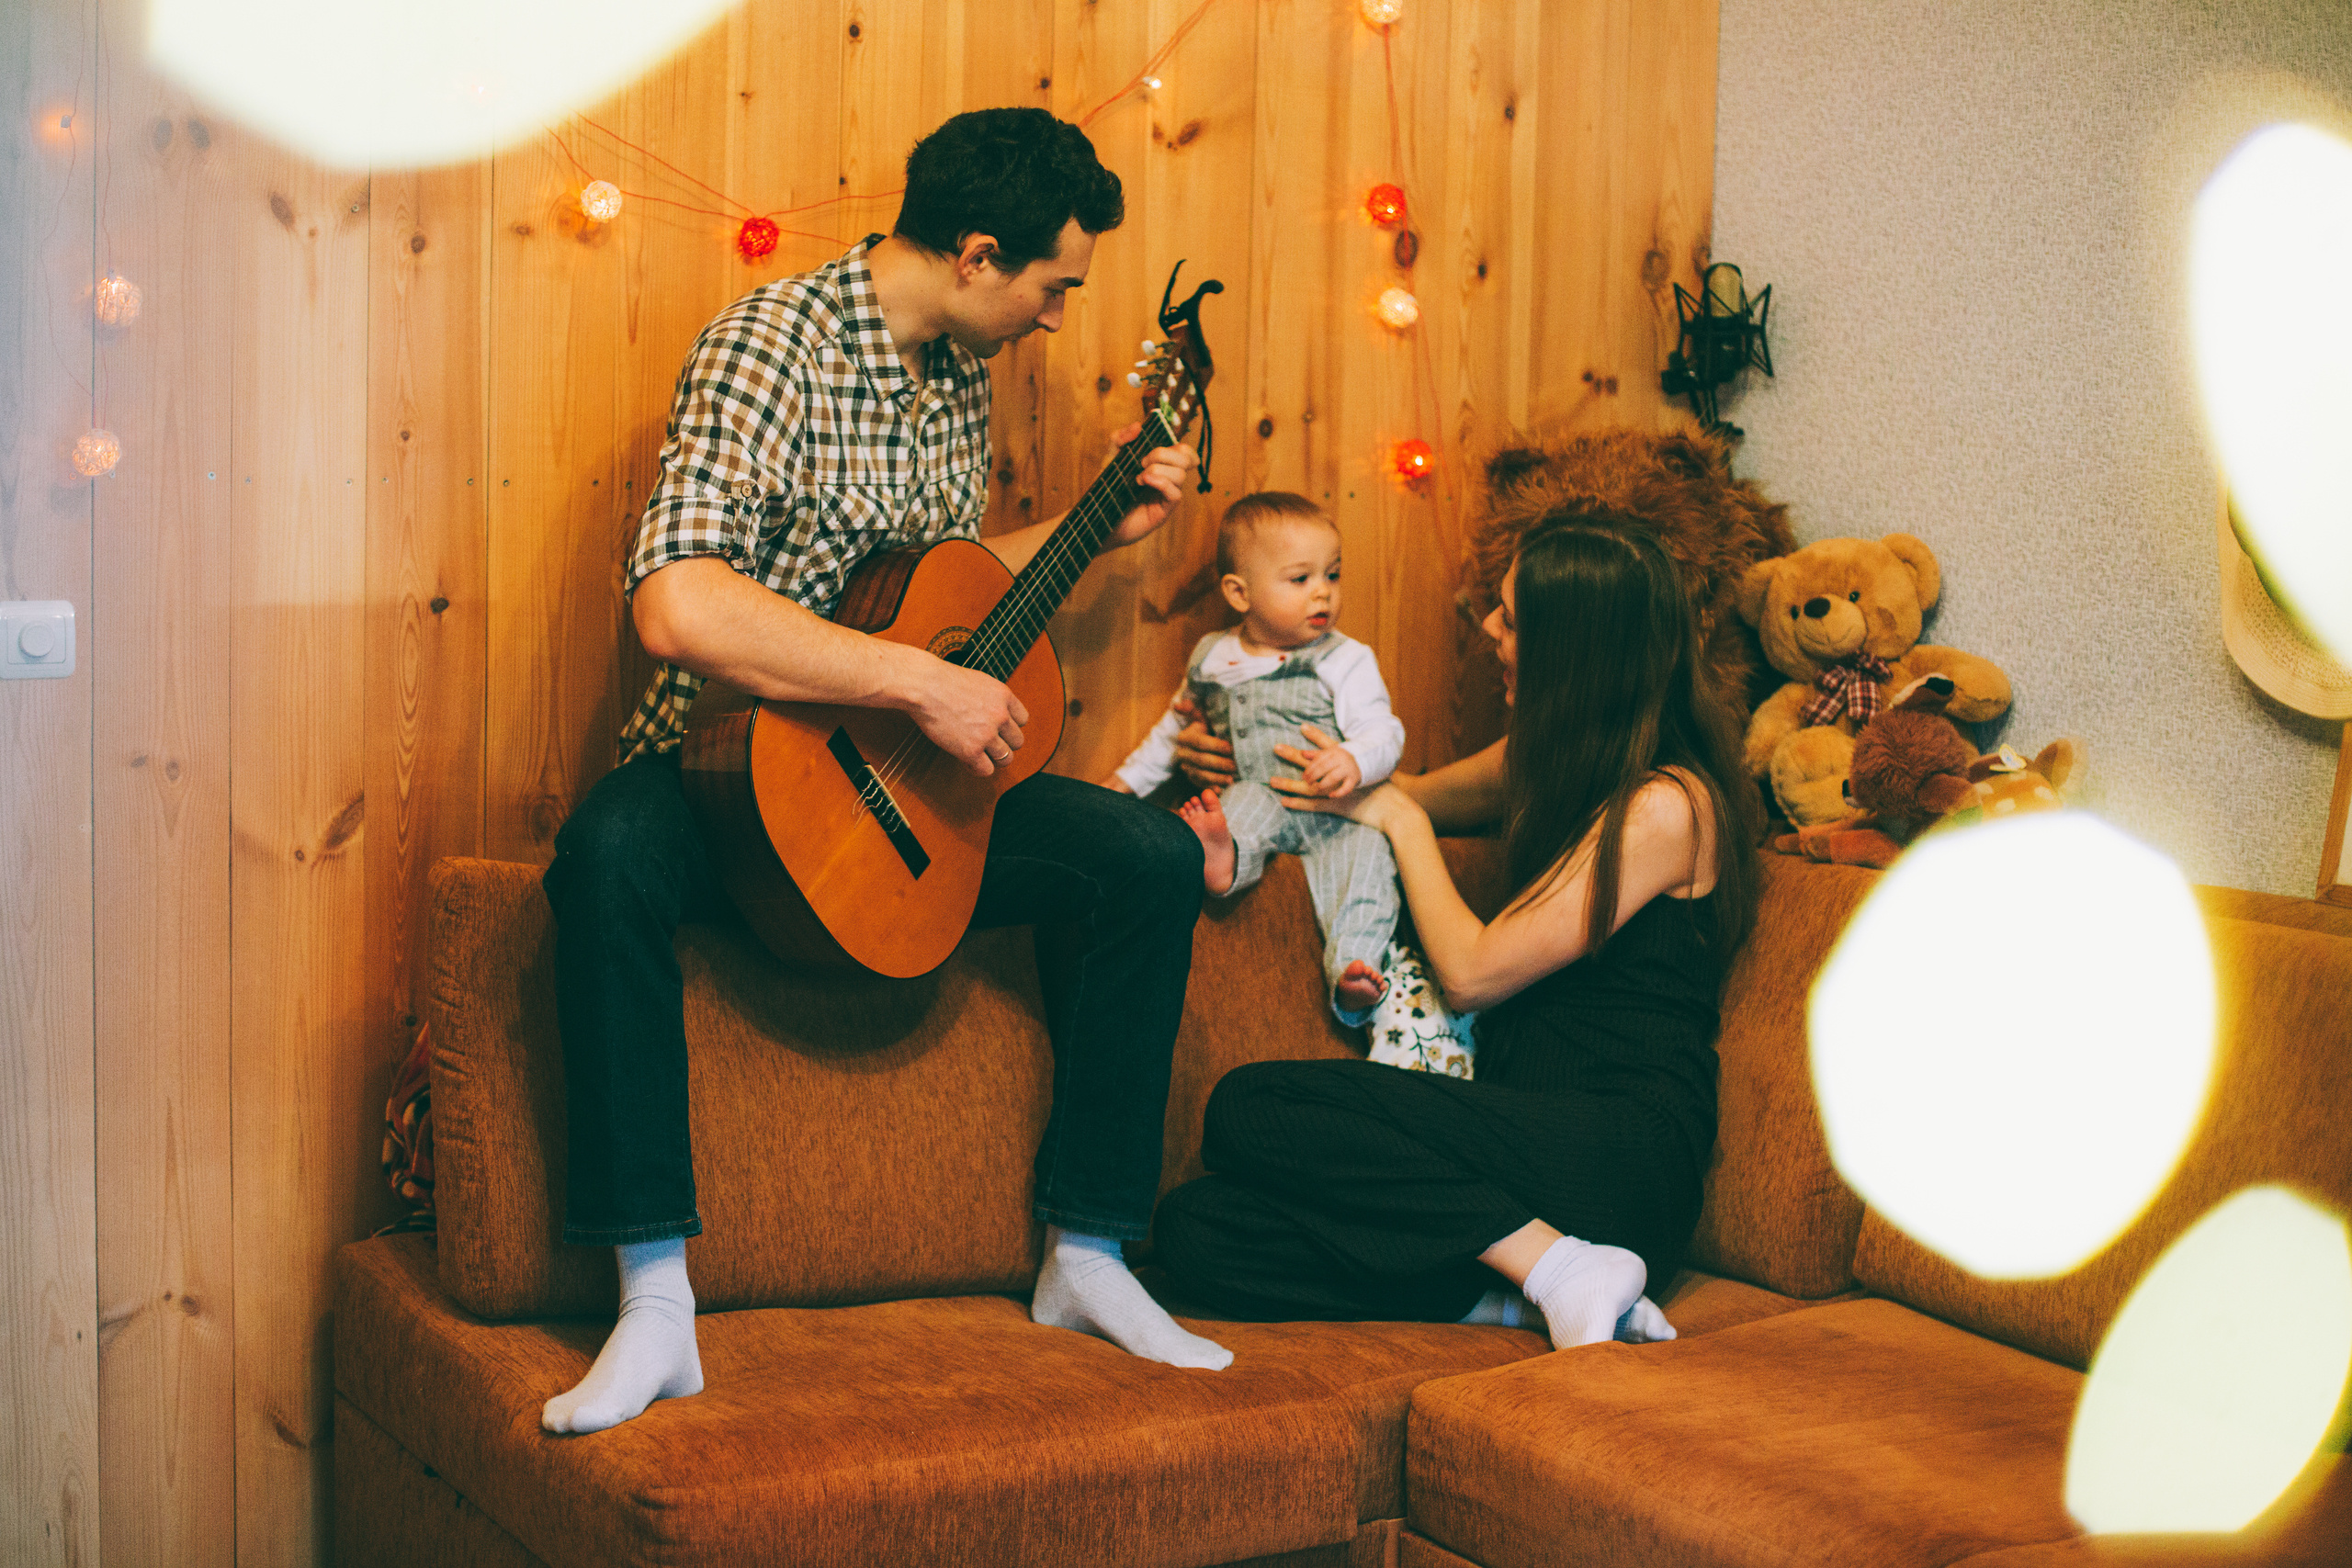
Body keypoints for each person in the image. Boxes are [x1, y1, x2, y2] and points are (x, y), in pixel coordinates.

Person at [538, 107, 1234, 1438]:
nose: (1054, 318)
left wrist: (1096, 528)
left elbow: (933, 599)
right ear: (978, 254)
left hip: (891, 797)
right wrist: (918, 681)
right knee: (605, 857)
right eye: (1050, 285)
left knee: (1143, 856)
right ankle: (653, 1300)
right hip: (720, 773)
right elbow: (679, 604)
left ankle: (1088, 1253)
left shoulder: (954, 375)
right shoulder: (771, 346)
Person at [1152, 515, 1761, 1348]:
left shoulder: (1668, 806)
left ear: (1572, 649)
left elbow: (1472, 970)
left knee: (1249, 1107)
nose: (1488, 631)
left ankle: (1561, 1266)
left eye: (1510, 620)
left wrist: (1400, 821)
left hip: (1621, 1156)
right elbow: (1401, 788)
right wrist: (1251, 762)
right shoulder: (1550, 758)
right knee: (1196, 1229)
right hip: (1515, 1138)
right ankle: (1532, 1290)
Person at [1108, 492, 1407, 1024]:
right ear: (1239, 593)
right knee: (1238, 807)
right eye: (1301, 579)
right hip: (1261, 793)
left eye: (1332, 576)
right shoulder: (1214, 656)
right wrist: (1121, 786)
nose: (1324, 593)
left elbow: (1383, 729)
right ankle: (1227, 860)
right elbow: (1172, 732)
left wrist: (1356, 760)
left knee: (1368, 866)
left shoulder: (1345, 657)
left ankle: (1353, 969)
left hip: (1338, 812)